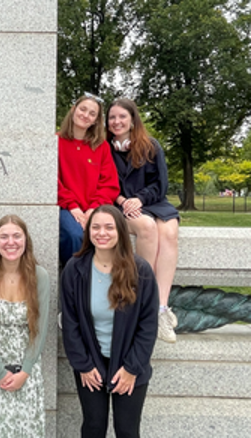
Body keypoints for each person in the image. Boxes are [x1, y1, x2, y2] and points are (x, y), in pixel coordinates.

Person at [61, 205, 159, 438]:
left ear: (120, 232)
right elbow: (70, 321)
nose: (101, 233)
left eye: (109, 227)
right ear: (88, 231)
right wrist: (83, 365)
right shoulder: (75, 269)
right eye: (95, 227)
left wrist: (131, 369)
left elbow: (148, 325)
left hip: (130, 364)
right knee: (93, 427)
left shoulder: (140, 270)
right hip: (91, 364)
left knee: (126, 430)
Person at [0, 215, 51, 437]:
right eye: (4, 236)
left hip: (27, 371)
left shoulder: (39, 276)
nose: (10, 242)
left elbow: (40, 330)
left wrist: (25, 371)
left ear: (26, 240)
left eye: (17, 236)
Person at [106, 99, 180, 343]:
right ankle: (143, 295)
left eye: (121, 117)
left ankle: (160, 308)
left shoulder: (151, 146)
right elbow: (105, 183)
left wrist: (139, 199)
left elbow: (160, 184)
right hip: (120, 204)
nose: (116, 122)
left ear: (132, 119)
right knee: (147, 228)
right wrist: (122, 200)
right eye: (112, 117)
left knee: (169, 232)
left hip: (152, 200)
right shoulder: (104, 148)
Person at [58, 93, 120, 266]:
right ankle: (74, 280)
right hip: (65, 206)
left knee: (106, 234)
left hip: (95, 206)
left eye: (92, 114)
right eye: (82, 109)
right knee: (75, 234)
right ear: (73, 110)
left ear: (95, 121)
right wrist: (72, 206)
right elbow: (52, 181)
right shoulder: (55, 142)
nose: (86, 115)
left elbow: (109, 183)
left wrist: (93, 208)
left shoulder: (101, 147)